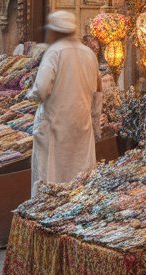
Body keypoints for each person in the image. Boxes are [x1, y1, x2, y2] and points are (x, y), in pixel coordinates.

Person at [27, 11, 100, 195]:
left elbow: (42, 89)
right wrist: (95, 122)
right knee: (79, 176)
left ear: (56, 32)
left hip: (55, 126)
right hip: (81, 126)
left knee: (51, 176)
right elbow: (97, 90)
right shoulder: (88, 53)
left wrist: (30, 95)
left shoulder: (54, 52)